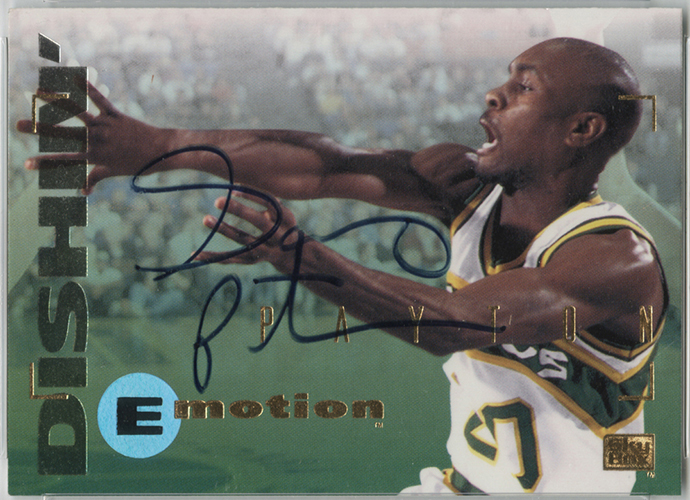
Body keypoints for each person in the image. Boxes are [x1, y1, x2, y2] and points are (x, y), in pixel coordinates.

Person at [19, 37, 666, 494]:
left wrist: (300, 256)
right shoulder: (464, 186)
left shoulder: (616, 259)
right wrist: (161, 146)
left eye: (523, 87)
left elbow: (455, 323)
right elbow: (326, 164)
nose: (495, 95)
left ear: (581, 129)